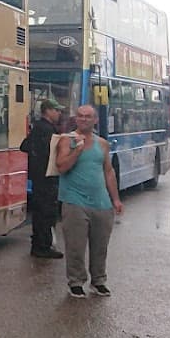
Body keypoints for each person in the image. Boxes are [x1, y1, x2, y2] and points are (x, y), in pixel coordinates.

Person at [54, 105, 123, 298]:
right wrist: (77, 150)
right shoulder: (67, 141)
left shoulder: (102, 144)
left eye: (88, 117)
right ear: (76, 119)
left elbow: (108, 171)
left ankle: (99, 280)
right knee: (75, 245)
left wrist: (116, 199)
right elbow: (61, 167)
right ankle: (76, 282)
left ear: (95, 121)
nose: (83, 119)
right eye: (80, 116)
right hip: (74, 202)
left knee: (100, 245)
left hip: (101, 203)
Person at [19, 98, 64, 258]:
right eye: (57, 110)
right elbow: (47, 151)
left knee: (40, 211)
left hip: (39, 177)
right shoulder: (47, 130)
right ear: (48, 111)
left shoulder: (38, 127)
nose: (59, 113)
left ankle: (39, 244)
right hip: (46, 177)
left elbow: (24, 146)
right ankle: (43, 246)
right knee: (46, 212)